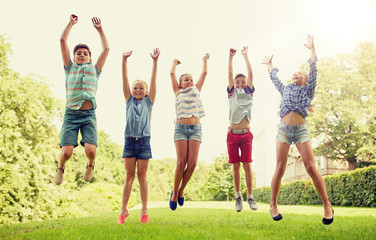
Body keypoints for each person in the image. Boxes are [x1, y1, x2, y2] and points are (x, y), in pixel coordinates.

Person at [262, 35, 334, 225]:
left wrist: (312, 51)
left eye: (300, 74)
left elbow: (313, 69)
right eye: (294, 73)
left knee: (310, 167)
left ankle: (327, 205)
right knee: (280, 167)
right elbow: (274, 78)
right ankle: (273, 204)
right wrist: (270, 65)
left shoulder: (308, 90)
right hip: (284, 130)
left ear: (305, 81)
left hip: (301, 130)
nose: (296, 74)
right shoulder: (285, 88)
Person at [55, 14, 109, 185]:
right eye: (78, 53)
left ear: (90, 58)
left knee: (91, 151)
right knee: (66, 153)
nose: (81, 55)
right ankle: (61, 167)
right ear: (74, 57)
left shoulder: (95, 69)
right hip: (71, 114)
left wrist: (100, 30)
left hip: (88, 116)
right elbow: (63, 41)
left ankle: (91, 164)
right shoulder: (69, 68)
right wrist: (71, 23)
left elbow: (106, 49)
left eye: (85, 54)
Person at [117, 48, 160, 224]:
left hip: (144, 142)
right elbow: (124, 79)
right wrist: (124, 60)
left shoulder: (149, 102)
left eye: (141, 88)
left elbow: (153, 80)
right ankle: (123, 211)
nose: (137, 90)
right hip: (129, 141)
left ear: (147, 91)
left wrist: (155, 62)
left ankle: (144, 211)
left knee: (142, 176)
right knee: (129, 176)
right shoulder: (128, 101)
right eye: (135, 88)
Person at [169, 54, 209, 210]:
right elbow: (172, 74)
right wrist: (174, 62)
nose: (190, 82)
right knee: (181, 162)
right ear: (180, 84)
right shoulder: (177, 92)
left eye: (191, 80)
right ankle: (174, 195)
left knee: (192, 164)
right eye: (186, 80)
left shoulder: (196, 90)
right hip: (180, 129)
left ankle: (180, 190)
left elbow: (204, 74)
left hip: (195, 129)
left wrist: (204, 60)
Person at [227, 47, 258, 212]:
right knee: (235, 166)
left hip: (246, 135)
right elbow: (230, 74)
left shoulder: (249, 93)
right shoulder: (232, 94)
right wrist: (230, 58)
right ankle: (238, 196)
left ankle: (250, 197)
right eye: (237, 82)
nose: (240, 83)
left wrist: (246, 56)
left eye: (242, 82)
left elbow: (250, 74)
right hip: (232, 135)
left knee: (247, 164)